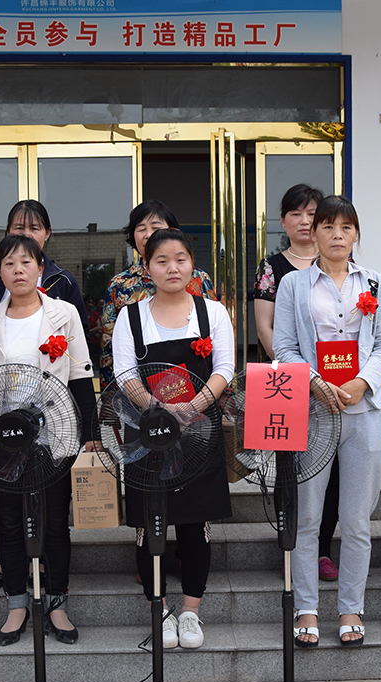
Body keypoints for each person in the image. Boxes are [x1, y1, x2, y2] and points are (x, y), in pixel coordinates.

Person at [273, 195, 381, 647]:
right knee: (308, 516)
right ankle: (306, 607)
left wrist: (364, 382)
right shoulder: (293, 284)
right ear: (315, 233)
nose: (337, 235)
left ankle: (350, 608)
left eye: (346, 227)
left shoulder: (375, 282)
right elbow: (284, 347)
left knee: (357, 520)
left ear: (356, 234)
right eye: (328, 226)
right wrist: (313, 382)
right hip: (314, 411)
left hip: (364, 412)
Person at [0, 234, 96, 646]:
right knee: (8, 521)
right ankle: (17, 605)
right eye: (9, 263)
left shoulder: (64, 313)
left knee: (54, 521)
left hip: (53, 434)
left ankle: (57, 604)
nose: (18, 270)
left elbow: (80, 377)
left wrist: (90, 436)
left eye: (26, 262)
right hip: (3, 435)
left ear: (41, 268)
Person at [111, 228, 235, 650]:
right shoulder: (130, 317)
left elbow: (224, 367)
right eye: (161, 260)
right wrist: (159, 409)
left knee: (196, 524)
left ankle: (190, 612)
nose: (172, 268)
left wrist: (193, 406)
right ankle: (160, 610)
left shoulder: (212, 312)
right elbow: (125, 374)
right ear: (147, 267)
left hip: (200, 431)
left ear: (192, 264)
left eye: (180, 259)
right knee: (150, 524)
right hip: (147, 434)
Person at [250, 183, 339, 582]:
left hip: (335, 383)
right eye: (295, 214)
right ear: (283, 222)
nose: (304, 222)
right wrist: (300, 374)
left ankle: (321, 549)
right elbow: (266, 329)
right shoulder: (272, 267)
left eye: (312, 214)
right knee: (290, 466)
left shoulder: (341, 263)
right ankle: (289, 544)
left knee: (331, 467)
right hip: (284, 383)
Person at [100, 200, 217, 389]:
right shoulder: (119, 284)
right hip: (138, 390)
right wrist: (110, 394)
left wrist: (220, 392)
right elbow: (109, 343)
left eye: (155, 227)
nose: (148, 235)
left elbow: (217, 339)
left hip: (200, 387)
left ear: (172, 231)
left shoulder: (198, 279)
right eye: (141, 229)